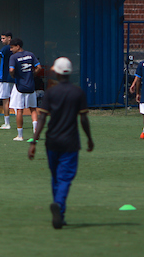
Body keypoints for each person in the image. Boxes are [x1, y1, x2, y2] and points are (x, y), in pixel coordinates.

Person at [28, 57, 94, 230]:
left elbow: (41, 118)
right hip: (70, 142)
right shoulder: (77, 92)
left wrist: (34, 141)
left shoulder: (50, 92)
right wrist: (89, 138)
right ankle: (59, 206)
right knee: (65, 178)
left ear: (56, 72)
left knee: (56, 176)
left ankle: (60, 213)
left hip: (52, 141)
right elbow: (84, 119)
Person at [7, 38, 39, 141]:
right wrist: (32, 75)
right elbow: (39, 67)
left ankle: (20, 135)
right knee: (33, 109)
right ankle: (36, 133)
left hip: (19, 86)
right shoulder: (31, 55)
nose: (11, 49)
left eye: (12, 47)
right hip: (31, 86)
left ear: (18, 46)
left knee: (19, 110)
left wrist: (13, 75)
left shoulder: (13, 57)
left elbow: (11, 70)